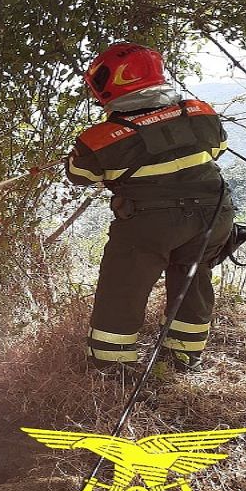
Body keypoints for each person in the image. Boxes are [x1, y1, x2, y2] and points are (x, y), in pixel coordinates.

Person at [65, 42, 234, 372]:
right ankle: (185, 355)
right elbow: (219, 148)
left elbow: (79, 175)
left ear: (111, 82)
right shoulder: (201, 112)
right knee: (193, 275)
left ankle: (110, 365)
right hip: (213, 216)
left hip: (149, 225)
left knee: (123, 287)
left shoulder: (100, 138)